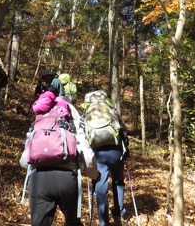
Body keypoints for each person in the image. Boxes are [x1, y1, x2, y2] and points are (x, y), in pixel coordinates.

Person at [20, 91, 97, 226]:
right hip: (66, 177)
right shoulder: (71, 116)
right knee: (73, 222)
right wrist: (93, 174)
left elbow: (23, 161)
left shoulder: (41, 117)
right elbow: (86, 153)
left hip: (38, 179)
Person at [83, 90, 130, 226]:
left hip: (97, 152)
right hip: (115, 150)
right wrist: (126, 150)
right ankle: (119, 213)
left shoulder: (87, 112)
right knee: (118, 181)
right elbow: (123, 131)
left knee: (100, 184)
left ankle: (104, 221)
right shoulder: (111, 110)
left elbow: (83, 134)